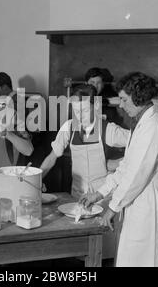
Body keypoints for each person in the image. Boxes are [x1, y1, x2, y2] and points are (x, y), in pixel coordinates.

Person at [80, 72, 158, 267]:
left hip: (152, 203)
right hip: (140, 201)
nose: (121, 105)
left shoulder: (153, 127)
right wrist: (100, 193)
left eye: (124, 100)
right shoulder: (141, 124)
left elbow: (136, 175)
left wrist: (112, 207)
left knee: (149, 259)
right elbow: (127, 165)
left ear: (138, 97)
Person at [40, 84, 125, 259]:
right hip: (77, 198)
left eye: (84, 111)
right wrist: (35, 179)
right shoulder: (69, 127)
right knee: (79, 252)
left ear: (95, 106)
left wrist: (117, 163)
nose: (80, 116)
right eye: (76, 111)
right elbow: (51, 157)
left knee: (103, 252)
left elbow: (139, 145)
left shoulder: (107, 129)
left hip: (104, 199)